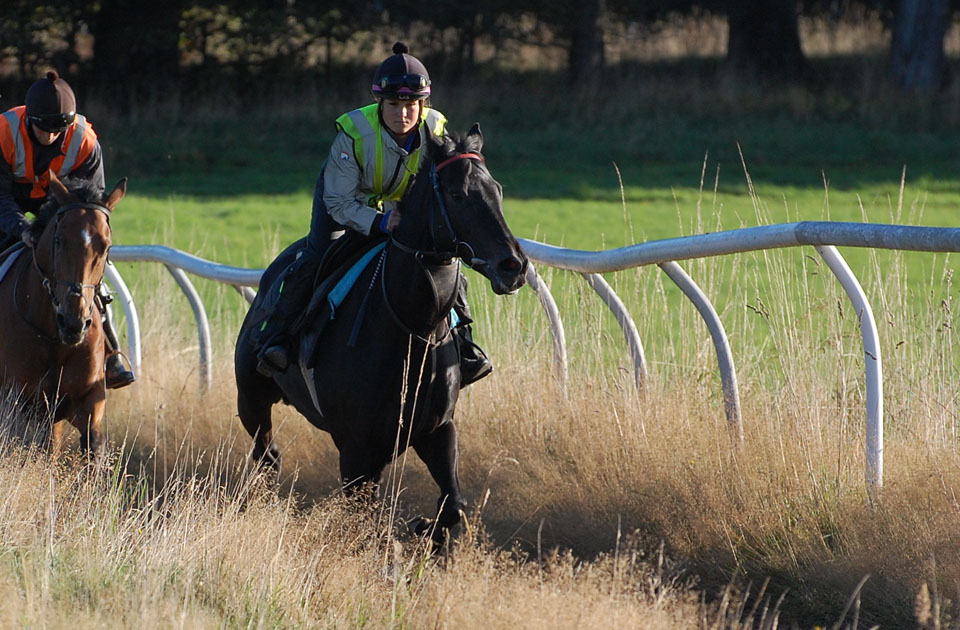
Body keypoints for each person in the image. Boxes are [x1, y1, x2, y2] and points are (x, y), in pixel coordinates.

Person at [255, 41, 493, 386]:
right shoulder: (353, 134)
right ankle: (275, 339)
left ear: (423, 104)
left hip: (401, 205)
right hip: (346, 200)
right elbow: (338, 202)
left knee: (447, 262)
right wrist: (380, 221)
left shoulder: (436, 131)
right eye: (394, 104)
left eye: (411, 105)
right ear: (378, 102)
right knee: (317, 255)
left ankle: (465, 347)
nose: (403, 113)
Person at [0, 70, 135, 389]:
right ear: (27, 118)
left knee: (91, 277)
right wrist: (23, 228)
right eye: (41, 128)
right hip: (8, 201)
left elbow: (93, 204)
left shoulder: (85, 141)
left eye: (57, 130)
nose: (48, 136)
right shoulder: (4, 132)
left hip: (61, 204)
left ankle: (112, 353)